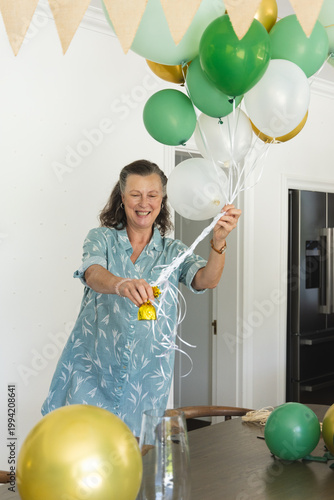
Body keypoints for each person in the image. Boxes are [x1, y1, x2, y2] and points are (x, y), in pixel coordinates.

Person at [41, 159, 241, 436]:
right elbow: (92, 272)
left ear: (162, 200)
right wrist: (120, 284)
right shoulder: (101, 238)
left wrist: (218, 241)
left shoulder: (173, 251)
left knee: (134, 461)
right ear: (122, 198)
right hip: (91, 371)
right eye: (135, 194)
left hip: (145, 380)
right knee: (75, 451)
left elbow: (206, 279)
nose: (143, 202)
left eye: (152, 195)